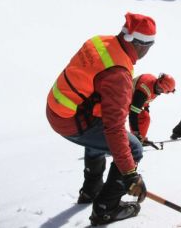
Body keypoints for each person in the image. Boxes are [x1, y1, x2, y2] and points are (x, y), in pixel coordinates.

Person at [46, 12, 156, 225]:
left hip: (57, 107)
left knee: (98, 128)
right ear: (142, 45)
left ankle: (91, 190)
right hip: (69, 119)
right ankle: (106, 208)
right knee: (133, 149)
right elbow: (114, 130)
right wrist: (130, 173)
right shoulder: (119, 74)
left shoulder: (100, 42)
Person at [129, 73, 176, 145]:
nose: (159, 89)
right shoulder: (144, 89)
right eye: (159, 87)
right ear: (158, 80)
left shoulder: (155, 85)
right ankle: (132, 141)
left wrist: (146, 107)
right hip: (122, 100)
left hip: (134, 100)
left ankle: (139, 140)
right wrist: (136, 132)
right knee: (118, 122)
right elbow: (133, 114)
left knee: (145, 117)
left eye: (161, 90)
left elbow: (147, 97)